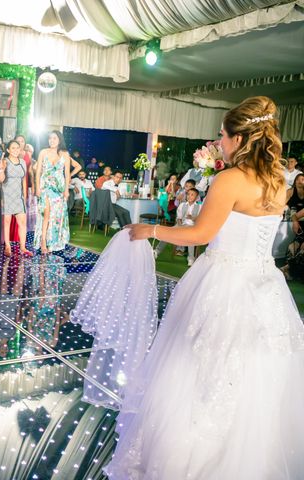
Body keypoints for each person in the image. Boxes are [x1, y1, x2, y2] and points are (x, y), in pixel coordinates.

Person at [107, 96, 304, 479]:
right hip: (265, 286)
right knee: (257, 378)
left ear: (239, 139)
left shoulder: (229, 179)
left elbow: (201, 232)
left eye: (222, 136)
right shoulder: (278, 181)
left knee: (198, 374)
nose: (219, 142)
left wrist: (151, 230)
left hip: (223, 283)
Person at [34, 130, 71, 253]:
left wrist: (66, 190)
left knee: (56, 216)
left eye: (54, 138)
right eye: (50, 138)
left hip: (59, 190)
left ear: (59, 140)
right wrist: (37, 188)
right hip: (45, 187)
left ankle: (53, 242)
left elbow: (67, 174)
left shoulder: (65, 154)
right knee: (46, 214)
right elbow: (38, 171)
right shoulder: (43, 152)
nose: (52, 140)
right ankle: (43, 240)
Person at [1, 139, 32, 257]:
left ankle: (23, 247)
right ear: (8, 150)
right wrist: (1, 197)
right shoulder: (4, 161)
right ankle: (7, 246)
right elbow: (1, 180)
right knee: (7, 221)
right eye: (12, 148)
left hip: (18, 196)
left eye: (17, 148)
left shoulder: (23, 162)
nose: (15, 150)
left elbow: (24, 179)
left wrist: (24, 195)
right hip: (6, 194)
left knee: (22, 222)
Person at [154, 188, 201, 266]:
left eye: (192, 195)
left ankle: (191, 258)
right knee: (167, 233)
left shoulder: (199, 207)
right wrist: (179, 223)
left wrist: (192, 218)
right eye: (188, 194)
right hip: (180, 225)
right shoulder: (182, 205)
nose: (189, 196)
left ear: (196, 197)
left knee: (190, 237)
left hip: (192, 227)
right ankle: (157, 251)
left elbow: (200, 219)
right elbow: (178, 217)